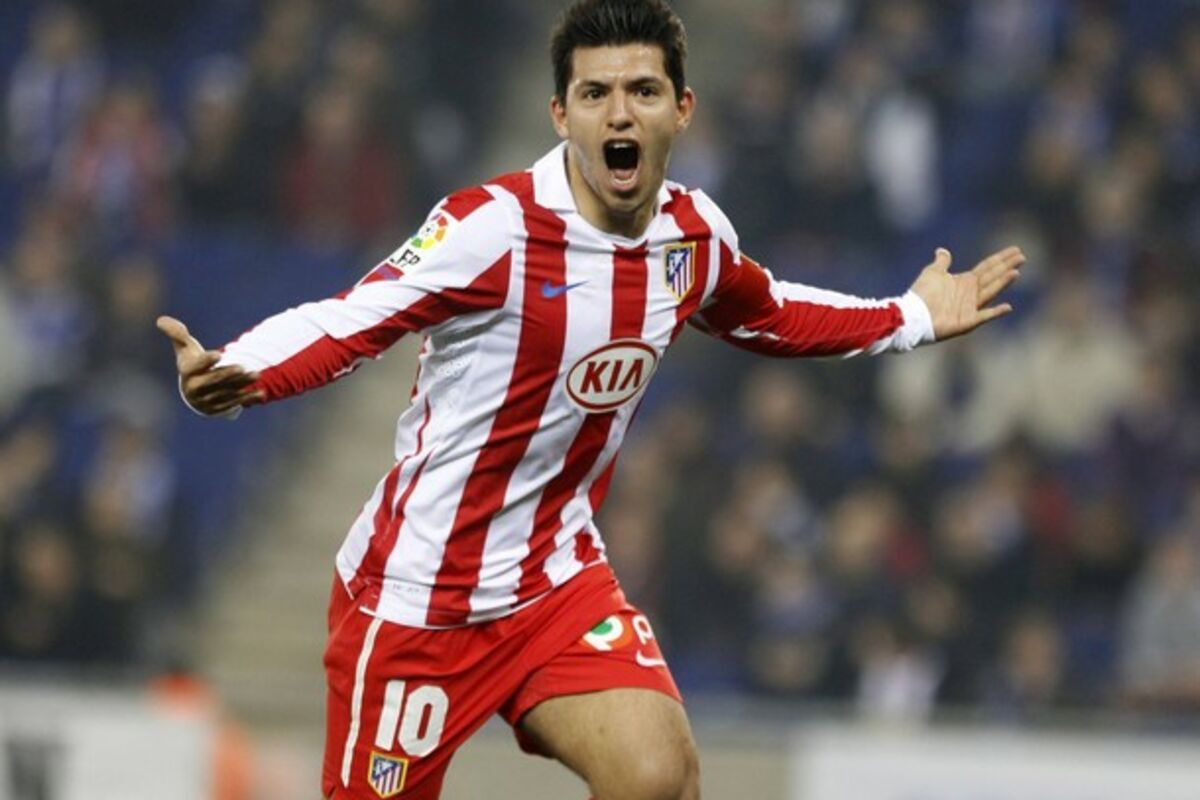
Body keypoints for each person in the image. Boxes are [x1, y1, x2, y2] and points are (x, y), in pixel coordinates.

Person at [158, 1, 1023, 797]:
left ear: (682, 109)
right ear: (559, 114)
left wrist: (911, 317)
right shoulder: (491, 228)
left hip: (554, 580)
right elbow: (357, 316)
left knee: (659, 776)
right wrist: (241, 371)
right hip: (418, 599)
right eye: (595, 93)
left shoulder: (691, 237)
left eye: (643, 91)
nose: (619, 114)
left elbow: (769, 312)